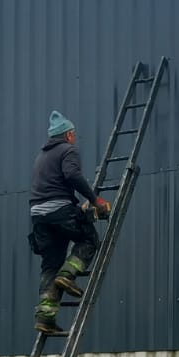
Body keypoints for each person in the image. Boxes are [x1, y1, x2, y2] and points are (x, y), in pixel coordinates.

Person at [29, 110, 111, 336]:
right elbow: (72, 175)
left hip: (38, 216)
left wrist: (76, 206)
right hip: (59, 210)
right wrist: (95, 200)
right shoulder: (68, 150)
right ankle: (67, 275)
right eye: (73, 134)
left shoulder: (41, 156)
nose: (74, 138)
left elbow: (51, 187)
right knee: (89, 239)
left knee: (50, 264)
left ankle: (45, 317)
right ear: (68, 134)